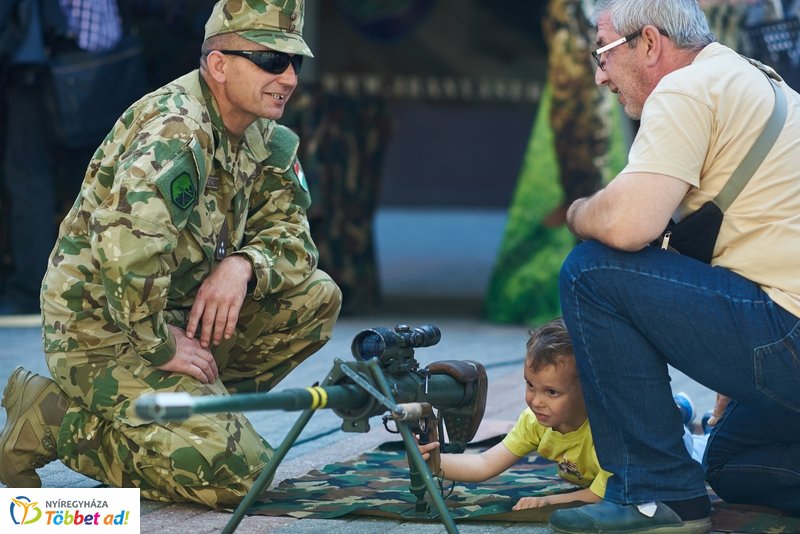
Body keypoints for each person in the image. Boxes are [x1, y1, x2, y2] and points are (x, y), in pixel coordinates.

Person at [0, 0, 342, 509]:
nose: (288, 77)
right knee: (240, 481)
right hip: (107, 332)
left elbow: (295, 240)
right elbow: (126, 256)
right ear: (219, 65)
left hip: (179, 315)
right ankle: (53, 419)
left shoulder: (264, 135)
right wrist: (159, 347)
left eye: (296, 62)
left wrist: (243, 264)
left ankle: (199, 417)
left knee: (315, 296)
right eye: (271, 60)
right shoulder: (175, 131)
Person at [553, 0, 800, 532]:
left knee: (591, 271)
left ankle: (654, 492)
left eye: (602, 54)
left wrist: (576, 212)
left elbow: (628, 226)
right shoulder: (754, 77)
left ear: (649, 42)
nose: (600, 77)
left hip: (789, 337)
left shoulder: (683, 89)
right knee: (731, 457)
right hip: (786, 328)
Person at [0, 0, 123, 315]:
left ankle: (34, 288)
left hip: (49, 63)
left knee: (30, 178)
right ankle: (99, 287)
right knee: (103, 180)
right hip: (103, 64)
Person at [419, 318, 613, 509]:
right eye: (530, 385)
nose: (535, 401)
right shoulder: (533, 421)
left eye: (551, 392)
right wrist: (429, 459)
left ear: (589, 389)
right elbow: (484, 463)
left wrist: (547, 502)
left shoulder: (609, 432)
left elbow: (604, 495)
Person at [540, 0, 610, 227]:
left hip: (587, 58)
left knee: (590, 132)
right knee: (563, 130)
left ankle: (595, 209)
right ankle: (570, 202)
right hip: (562, 63)